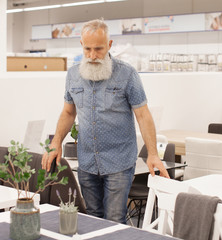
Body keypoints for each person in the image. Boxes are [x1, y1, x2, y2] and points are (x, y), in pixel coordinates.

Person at [42, 19, 169, 224]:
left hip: (119, 162)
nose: (93, 56)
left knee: (114, 220)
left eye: (99, 49)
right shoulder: (73, 75)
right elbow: (68, 112)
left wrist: (153, 153)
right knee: (92, 218)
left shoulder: (127, 74)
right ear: (81, 45)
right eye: (88, 49)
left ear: (109, 45)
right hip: (87, 162)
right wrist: (55, 142)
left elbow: (143, 115)